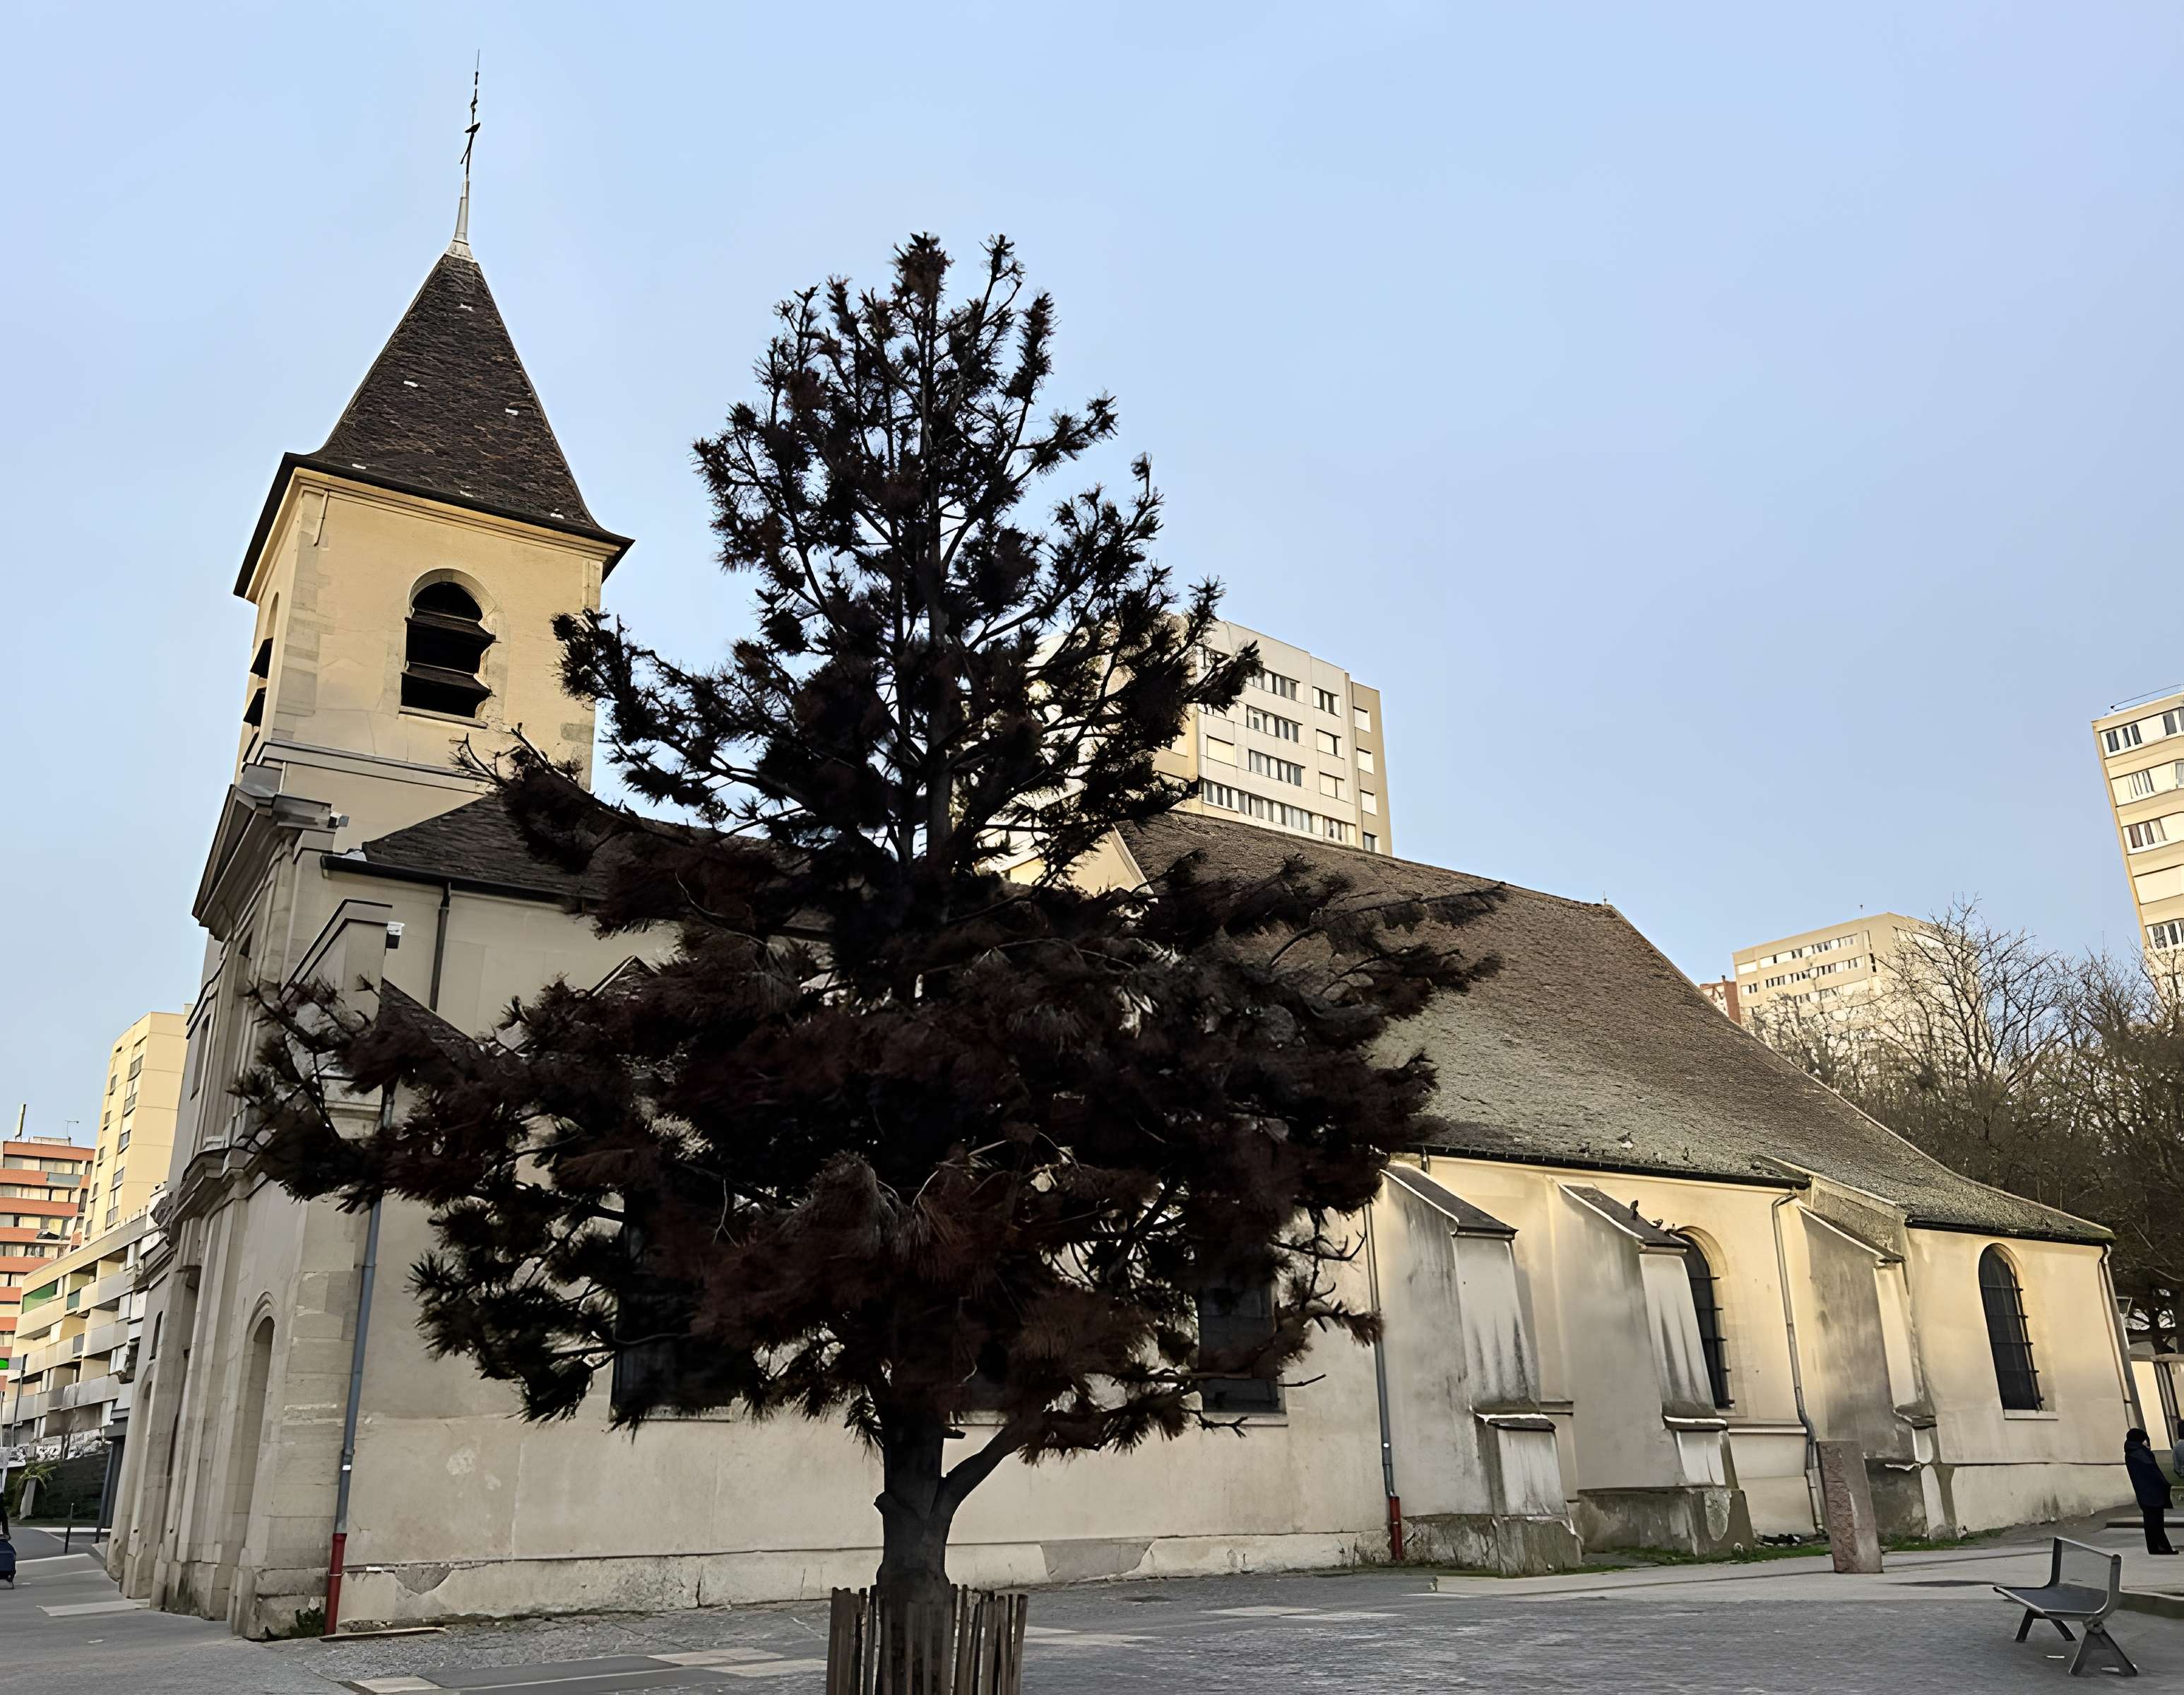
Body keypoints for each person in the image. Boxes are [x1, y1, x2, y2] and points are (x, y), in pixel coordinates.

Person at [2125, 1427, 2176, 1555]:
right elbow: (2153, 1471)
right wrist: (2165, 1485)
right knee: (2156, 1522)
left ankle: (2156, 1547)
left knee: (2150, 1522)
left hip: (2144, 1493)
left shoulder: (2131, 1452)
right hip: (2152, 1493)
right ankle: (2162, 1548)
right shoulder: (2141, 1452)